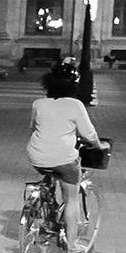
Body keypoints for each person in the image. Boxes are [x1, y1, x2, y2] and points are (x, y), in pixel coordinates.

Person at [25, 60, 102, 227]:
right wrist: (99, 145)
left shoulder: (38, 103)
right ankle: (72, 245)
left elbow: (32, 128)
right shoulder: (75, 105)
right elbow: (89, 134)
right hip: (63, 158)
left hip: (36, 155)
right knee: (71, 199)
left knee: (49, 168)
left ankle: (45, 201)